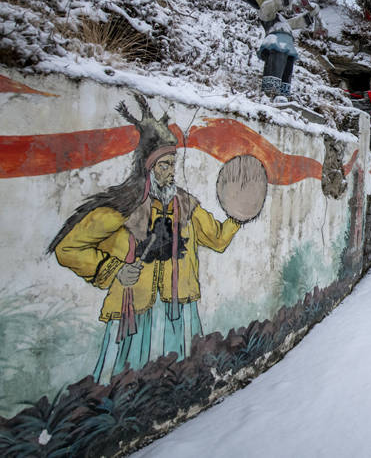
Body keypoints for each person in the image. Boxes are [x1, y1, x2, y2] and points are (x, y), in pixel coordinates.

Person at [48, 95, 245, 381]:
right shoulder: (122, 209)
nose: (170, 173)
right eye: (163, 166)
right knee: (126, 383)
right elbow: (68, 248)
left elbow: (216, 239)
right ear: (147, 170)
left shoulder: (186, 206)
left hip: (177, 309)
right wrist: (114, 269)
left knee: (177, 377)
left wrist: (237, 217)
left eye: (172, 164)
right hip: (134, 313)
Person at [224, 0, 320, 100]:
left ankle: (284, 93)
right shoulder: (266, 10)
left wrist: (309, 17)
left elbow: (294, 24)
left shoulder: (281, 18)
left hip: (288, 45)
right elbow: (278, 1)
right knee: (275, 65)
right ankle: (271, 92)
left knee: (288, 68)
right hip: (275, 43)